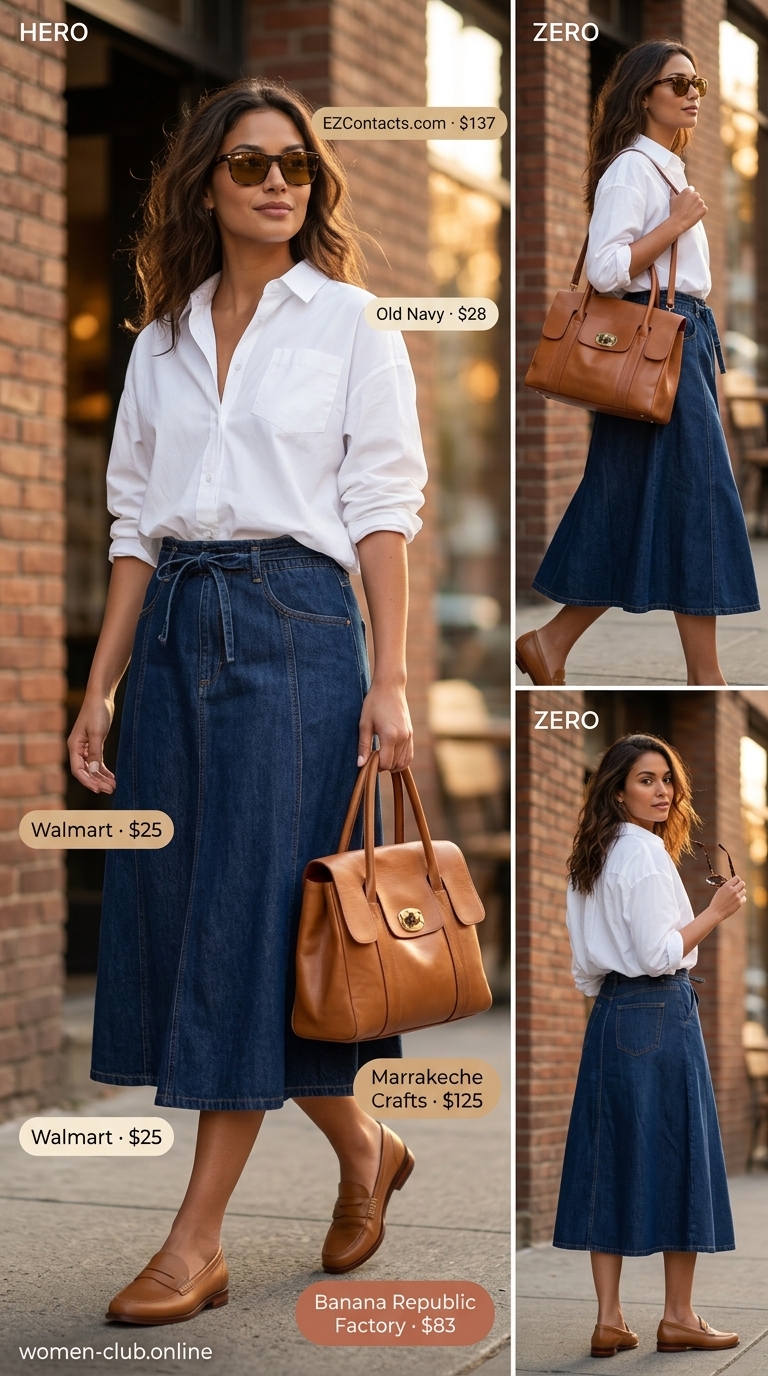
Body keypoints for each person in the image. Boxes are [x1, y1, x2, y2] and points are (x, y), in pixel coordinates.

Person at [67, 77, 428, 1325]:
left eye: (295, 167)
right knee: (197, 917)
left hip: (300, 630)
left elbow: (384, 512)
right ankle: (369, 1150)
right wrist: (100, 684)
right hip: (172, 629)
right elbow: (131, 526)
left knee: (246, 912)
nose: (278, 182)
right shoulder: (158, 338)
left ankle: (195, 1240)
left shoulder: (352, 326)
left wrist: (391, 680)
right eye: (249, 164)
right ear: (207, 185)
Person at [516, 41, 760, 688]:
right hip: (658, 345)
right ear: (642, 94)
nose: (691, 92)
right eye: (675, 82)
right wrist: (677, 223)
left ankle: (551, 641)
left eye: (697, 82)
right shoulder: (631, 171)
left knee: (630, 501)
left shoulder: (668, 170)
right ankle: (706, 675)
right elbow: (605, 270)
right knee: (700, 501)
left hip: (681, 343)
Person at [553, 733, 745, 1357]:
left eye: (666, 779)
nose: (662, 791)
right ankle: (679, 1316)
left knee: (608, 1158)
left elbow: (585, 967)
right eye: (646, 779)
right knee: (680, 1154)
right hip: (659, 1009)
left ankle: (609, 1319)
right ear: (617, 788)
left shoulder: (591, 856)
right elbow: (662, 951)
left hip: (608, 1014)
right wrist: (716, 911)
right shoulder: (644, 855)